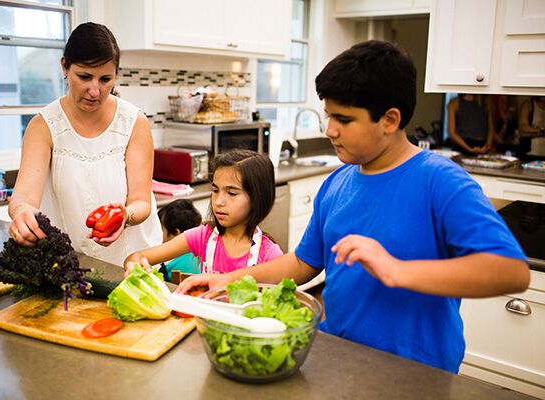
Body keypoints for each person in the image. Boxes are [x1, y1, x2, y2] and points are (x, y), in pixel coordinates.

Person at [177, 40, 530, 374]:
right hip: (337, 352)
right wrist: (224, 279)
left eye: (343, 120)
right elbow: (303, 263)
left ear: (389, 120)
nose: (330, 129)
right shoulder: (337, 182)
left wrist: (398, 270)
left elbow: (511, 271)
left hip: (417, 370)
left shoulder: (441, 182)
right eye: (328, 115)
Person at [7, 22, 163, 266]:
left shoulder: (134, 122)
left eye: (105, 79)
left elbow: (141, 201)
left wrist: (126, 215)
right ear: (65, 68)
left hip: (133, 260)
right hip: (72, 259)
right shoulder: (44, 126)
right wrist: (21, 213)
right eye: (84, 76)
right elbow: (24, 197)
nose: (95, 90)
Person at [124, 149, 283, 276]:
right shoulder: (203, 237)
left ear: (258, 198)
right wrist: (136, 264)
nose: (218, 201)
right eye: (215, 190)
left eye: (232, 193)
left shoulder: (270, 255)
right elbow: (135, 258)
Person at [157, 199, 202, 280]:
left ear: (176, 233)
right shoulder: (202, 254)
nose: (158, 232)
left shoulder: (167, 266)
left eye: (161, 229)